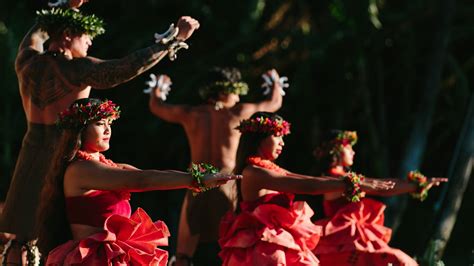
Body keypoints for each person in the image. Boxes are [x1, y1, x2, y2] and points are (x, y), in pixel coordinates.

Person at [0, 0, 200, 262]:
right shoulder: (76, 69)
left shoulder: (26, 60)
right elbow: (124, 68)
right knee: (57, 243)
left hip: (30, 155)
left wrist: (67, 7)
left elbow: (35, 34)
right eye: (86, 37)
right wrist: (173, 40)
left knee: (20, 242)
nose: (90, 44)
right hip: (63, 155)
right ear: (68, 36)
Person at [34, 98, 239, 265]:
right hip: (91, 259)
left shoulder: (106, 165)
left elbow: (153, 174)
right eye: (99, 124)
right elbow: (142, 180)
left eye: (109, 124)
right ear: (79, 129)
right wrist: (196, 180)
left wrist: (199, 179)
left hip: (116, 255)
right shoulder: (81, 169)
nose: (107, 130)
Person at [218, 112, 395, 265]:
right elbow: (307, 186)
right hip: (263, 246)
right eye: (277, 136)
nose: (282, 143)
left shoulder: (269, 169)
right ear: (259, 137)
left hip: (279, 240)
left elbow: (305, 179)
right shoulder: (253, 172)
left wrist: (351, 181)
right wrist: (350, 183)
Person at [147, 67, 285, 265]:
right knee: (234, 243)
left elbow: (157, 107)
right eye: (236, 92)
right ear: (223, 92)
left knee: (184, 253)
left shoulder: (191, 113)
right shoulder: (240, 112)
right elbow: (274, 103)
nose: (238, 98)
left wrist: (157, 89)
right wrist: (275, 83)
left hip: (197, 181)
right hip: (226, 181)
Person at [312, 130, 447, 266]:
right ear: (338, 149)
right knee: (399, 261)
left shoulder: (343, 177)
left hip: (352, 238)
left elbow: (381, 185)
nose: (353, 152)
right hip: (344, 239)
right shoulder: (335, 177)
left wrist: (417, 185)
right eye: (349, 147)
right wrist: (415, 186)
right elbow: (380, 187)